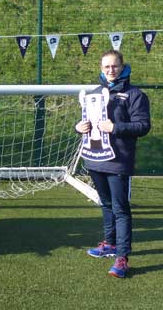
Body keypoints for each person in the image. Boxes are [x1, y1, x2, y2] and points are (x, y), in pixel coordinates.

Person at [75, 50, 151, 278]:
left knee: (120, 209)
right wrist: (79, 127)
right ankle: (109, 244)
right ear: (101, 68)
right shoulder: (95, 93)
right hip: (94, 159)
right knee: (105, 204)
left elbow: (143, 126)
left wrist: (116, 127)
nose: (110, 70)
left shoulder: (135, 95)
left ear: (122, 67)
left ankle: (123, 257)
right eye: (106, 66)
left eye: (114, 66)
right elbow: (84, 121)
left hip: (118, 162)